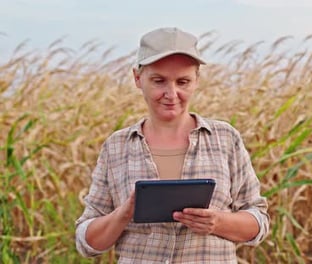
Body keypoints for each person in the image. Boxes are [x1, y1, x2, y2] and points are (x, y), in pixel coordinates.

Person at [75, 27, 270, 263]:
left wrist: (216, 222)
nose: (171, 93)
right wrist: (125, 212)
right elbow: (87, 242)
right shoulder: (116, 146)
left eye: (183, 81)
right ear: (138, 78)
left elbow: (258, 223)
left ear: (197, 81)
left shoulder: (226, 139)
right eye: (159, 81)